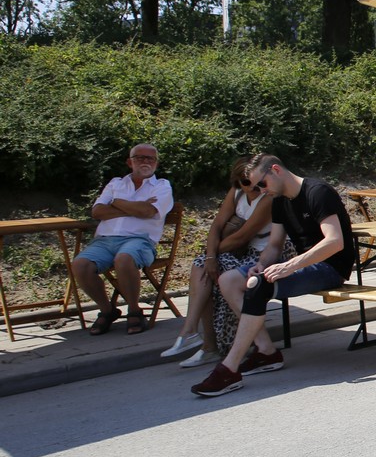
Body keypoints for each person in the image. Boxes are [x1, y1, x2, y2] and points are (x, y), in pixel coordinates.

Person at [191, 155, 355, 397]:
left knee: (258, 286)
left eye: (262, 184)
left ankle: (228, 369)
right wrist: (261, 264)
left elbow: (335, 242)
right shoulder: (279, 200)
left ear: (276, 170)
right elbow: (274, 245)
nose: (260, 191)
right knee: (229, 280)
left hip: (329, 268)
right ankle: (266, 351)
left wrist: (289, 266)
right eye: (256, 187)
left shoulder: (318, 192)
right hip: (302, 265)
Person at [162, 156, 275, 366]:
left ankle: (206, 343)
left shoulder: (267, 198)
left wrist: (211, 254)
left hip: (261, 254)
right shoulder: (237, 193)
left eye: (258, 182)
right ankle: (193, 332)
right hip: (237, 251)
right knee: (202, 267)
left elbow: (243, 236)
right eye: (247, 182)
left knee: (210, 271)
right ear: (238, 182)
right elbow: (216, 225)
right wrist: (210, 256)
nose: (254, 187)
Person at [72, 144, 175, 336]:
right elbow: (97, 212)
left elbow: (147, 211)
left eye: (150, 158)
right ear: (130, 162)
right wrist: (135, 207)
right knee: (80, 264)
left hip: (139, 240)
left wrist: (116, 202)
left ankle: (134, 310)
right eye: (140, 158)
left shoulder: (162, 186)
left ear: (156, 163)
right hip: (105, 240)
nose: (145, 161)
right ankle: (107, 310)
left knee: (124, 258)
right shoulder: (115, 184)